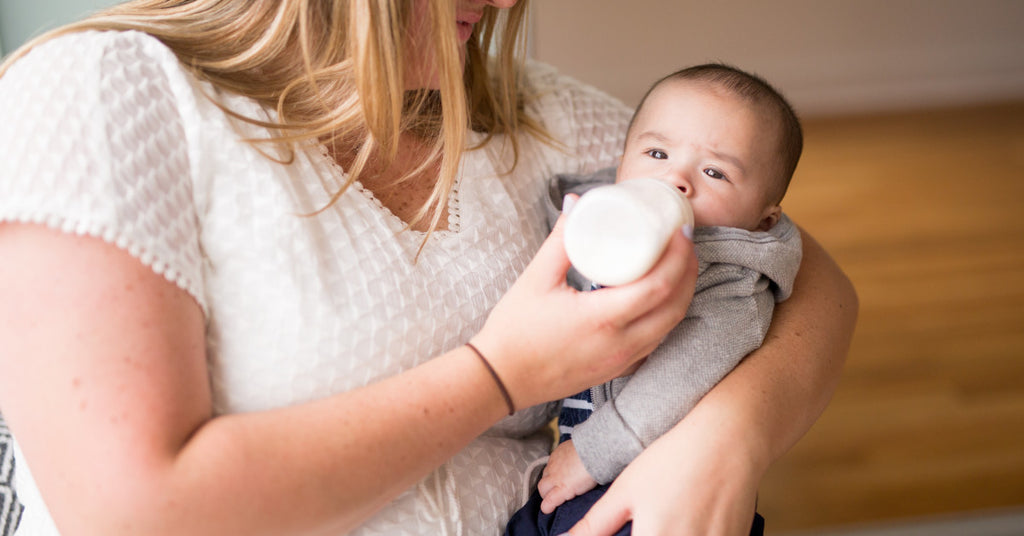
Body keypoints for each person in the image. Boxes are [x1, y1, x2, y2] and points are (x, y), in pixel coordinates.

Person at [0, 1, 857, 535]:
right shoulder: (103, 93)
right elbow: (134, 514)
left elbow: (804, 271)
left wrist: (726, 436)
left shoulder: (527, 112)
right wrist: (500, 374)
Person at [506, 64, 805, 536]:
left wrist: (593, 453)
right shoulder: (615, 221)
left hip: (655, 481)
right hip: (581, 468)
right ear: (623, 162)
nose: (677, 179)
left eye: (715, 172)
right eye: (657, 152)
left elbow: (677, 378)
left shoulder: (731, 288)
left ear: (764, 221)